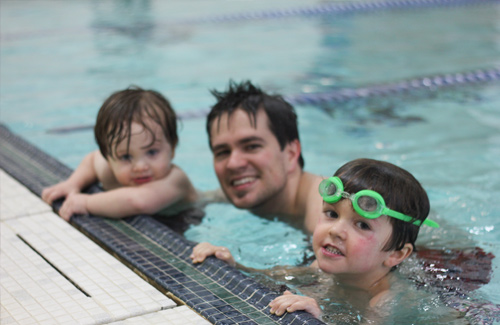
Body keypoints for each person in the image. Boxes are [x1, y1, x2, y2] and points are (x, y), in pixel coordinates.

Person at [191, 158, 439, 320]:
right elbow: (268, 277)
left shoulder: (385, 300)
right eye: (331, 214)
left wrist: (318, 319)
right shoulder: (320, 269)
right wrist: (232, 265)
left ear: (396, 254)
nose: (336, 230)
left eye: (362, 224)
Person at [42, 86, 198, 221]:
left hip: (188, 216)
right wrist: (73, 184)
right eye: (126, 157)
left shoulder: (176, 180)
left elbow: (138, 202)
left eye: (152, 152)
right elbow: (92, 159)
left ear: (173, 148)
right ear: (108, 158)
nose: (140, 166)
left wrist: (85, 203)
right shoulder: (108, 167)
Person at [206, 80, 322, 233]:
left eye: (252, 146)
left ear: (291, 154)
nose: (233, 164)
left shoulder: (325, 204)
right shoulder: (240, 188)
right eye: (223, 152)